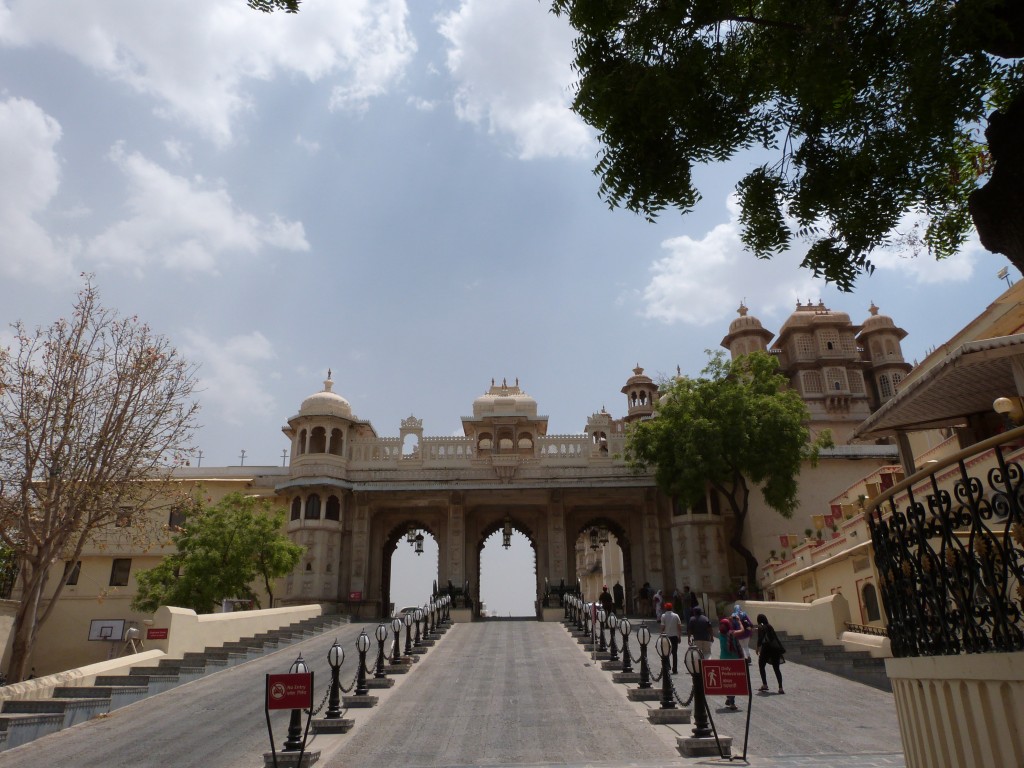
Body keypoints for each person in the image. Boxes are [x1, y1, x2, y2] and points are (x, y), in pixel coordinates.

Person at [755, 613, 785, 694]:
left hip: (766, 648)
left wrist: (757, 648)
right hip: (775, 649)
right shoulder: (770, 626)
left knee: (761, 665)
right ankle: (780, 688)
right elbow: (775, 637)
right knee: (776, 669)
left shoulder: (760, 627)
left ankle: (765, 684)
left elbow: (760, 638)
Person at [717, 617, 741, 711]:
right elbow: (742, 630)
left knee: (727, 680)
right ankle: (732, 702)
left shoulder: (720, 634)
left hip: (723, 660)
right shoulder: (732, 634)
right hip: (733, 660)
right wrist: (739, 621)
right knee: (733, 681)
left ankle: (729, 697)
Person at [659, 602, 683, 673]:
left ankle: (668, 666)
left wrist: (661, 634)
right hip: (675, 636)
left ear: (665, 608)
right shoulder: (676, 616)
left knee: (666, 652)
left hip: (666, 637)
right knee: (674, 653)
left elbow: (662, 627)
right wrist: (679, 636)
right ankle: (675, 669)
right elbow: (679, 627)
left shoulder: (663, 616)